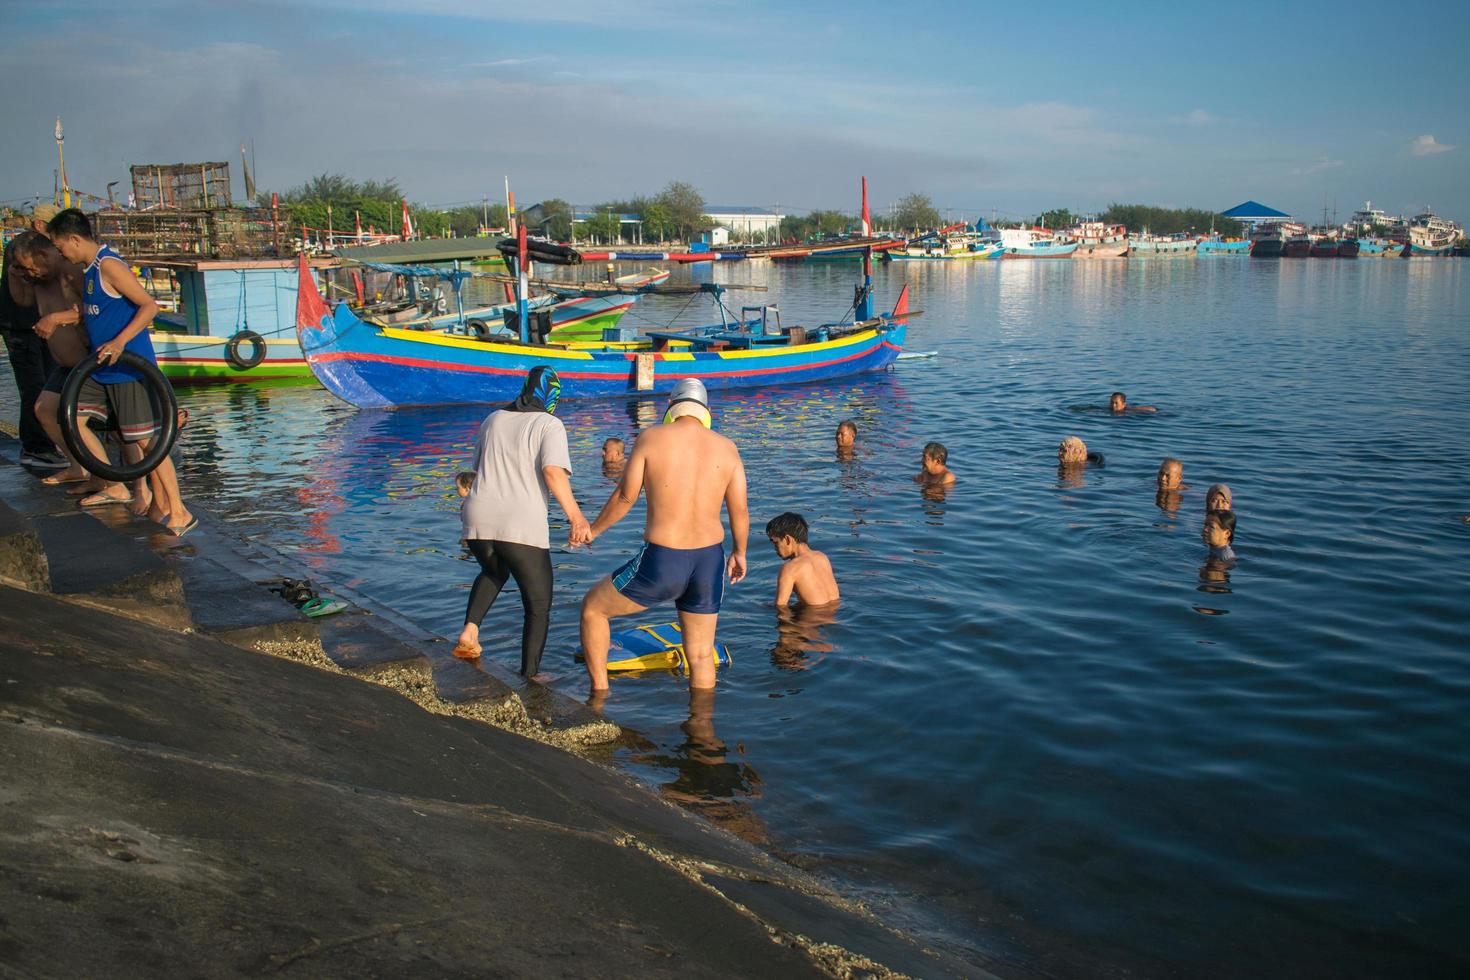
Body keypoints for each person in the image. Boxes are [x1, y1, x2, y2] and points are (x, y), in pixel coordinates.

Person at [578, 378, 748, 693]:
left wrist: (594, 530)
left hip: (664, 558)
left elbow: (625, 497)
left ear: (670, 407)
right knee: (699, 655)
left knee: (593, 609)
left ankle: (598, 699)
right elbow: (740, 511)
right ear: (706, 412)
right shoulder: (728, 448)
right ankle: (703, 731)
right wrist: (740, 552)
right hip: (710, 560)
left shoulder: (651, 438)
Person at [47, 209, 196, 534]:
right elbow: (97, 314)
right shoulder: (87, 272)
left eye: (61, 247)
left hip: (129, 369)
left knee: (146, 445)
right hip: (101, 370)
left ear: (74, 239)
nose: (61, 254)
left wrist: (119, 342)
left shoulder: (108, 266)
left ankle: (179, 509)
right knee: (69, 415)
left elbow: (149, 306)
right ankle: (122, 488)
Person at [453, 366, 589, 679]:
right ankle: (531, 677)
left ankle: (470, 631)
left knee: (494, 570)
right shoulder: (549, 424)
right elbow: (553, 472)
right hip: (519, 521)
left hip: (477, 515)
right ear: (552, 396)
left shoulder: (493, 419)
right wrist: (576, 517)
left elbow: (478, 470)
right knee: (538, 605)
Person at [1, 204, 68, 468]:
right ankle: (36, 447)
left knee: (49, 384)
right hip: (20, 327)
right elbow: (24, 295)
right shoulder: (22, 249)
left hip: (37, 325)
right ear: (39, 225)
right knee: (34, 387)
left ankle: (47, 443)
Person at [766, 512, 839, 607]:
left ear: (787, 539)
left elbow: (780, 606)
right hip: (835, 614)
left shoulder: (790, 568)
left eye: (775, 542)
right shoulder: (822, 557)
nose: (774, 547)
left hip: (811, 619)